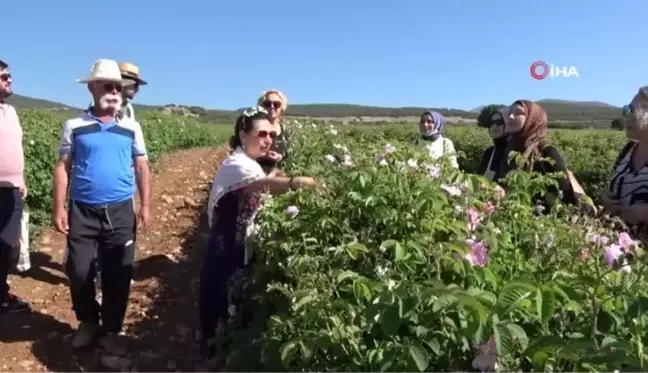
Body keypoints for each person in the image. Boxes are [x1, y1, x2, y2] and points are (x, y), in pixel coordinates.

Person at [200, 106, 315, 367]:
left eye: (271, 135)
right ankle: (213, 353)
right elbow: (263, 185)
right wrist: (298, 181)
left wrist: (272, 165)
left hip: (239, 238)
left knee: (231, 294)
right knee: (220, 294)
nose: (267, 139)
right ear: (243, 136)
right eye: (261, 134)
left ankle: (223, 350)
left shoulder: (248, 161)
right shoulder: (237, 164)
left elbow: (261, 179)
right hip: (226, 240)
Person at [52, 59, 151, 353]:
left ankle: (111, 330)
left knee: (118, 273)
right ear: (92, 88)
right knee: (79, 271)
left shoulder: (132, 127)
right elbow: (62, 168)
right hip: (82, 210)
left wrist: (145, 205)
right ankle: (88, 322)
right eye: (107, 85)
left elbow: (143, 166)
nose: (114, 91)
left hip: (120, 211)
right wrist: (58, 208)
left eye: (118, 86)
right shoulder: (75, 126)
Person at [495, 100, 578, 207]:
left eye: (518, 113)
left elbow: (566, 198)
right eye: (510, 113)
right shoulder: (508, 150)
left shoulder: (547, 152)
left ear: (532, 119)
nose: (510, 116)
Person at [0, 58, 30, 314]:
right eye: (3, 76)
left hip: (12, 190)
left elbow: (15, 149)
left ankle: (1, 294)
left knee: (6, 246)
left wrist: (21, 180)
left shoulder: (11, 112)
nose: (9, 80)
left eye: (9, 76)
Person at [604, 86, 648, 227]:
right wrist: (605, 199)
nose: (628, 116)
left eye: (636, 111)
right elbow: (614, 189)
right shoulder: (628, 150)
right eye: (627, 109)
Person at [256, 89, 290, 174]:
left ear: (282, 107)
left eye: (276, 104)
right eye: (267, 104)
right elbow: (244, 152)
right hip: (258, 175)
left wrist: (280, 157)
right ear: (262, 106)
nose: (272, 106)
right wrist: (264, 155)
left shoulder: (285, 129)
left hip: (280, 175)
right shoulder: (255, 127)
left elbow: (288, 153)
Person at [477, 107, 509, 180]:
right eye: (491, 123)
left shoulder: (514, 153)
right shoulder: (489, 152)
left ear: (508, 123)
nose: (494, 126)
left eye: (499, 122)